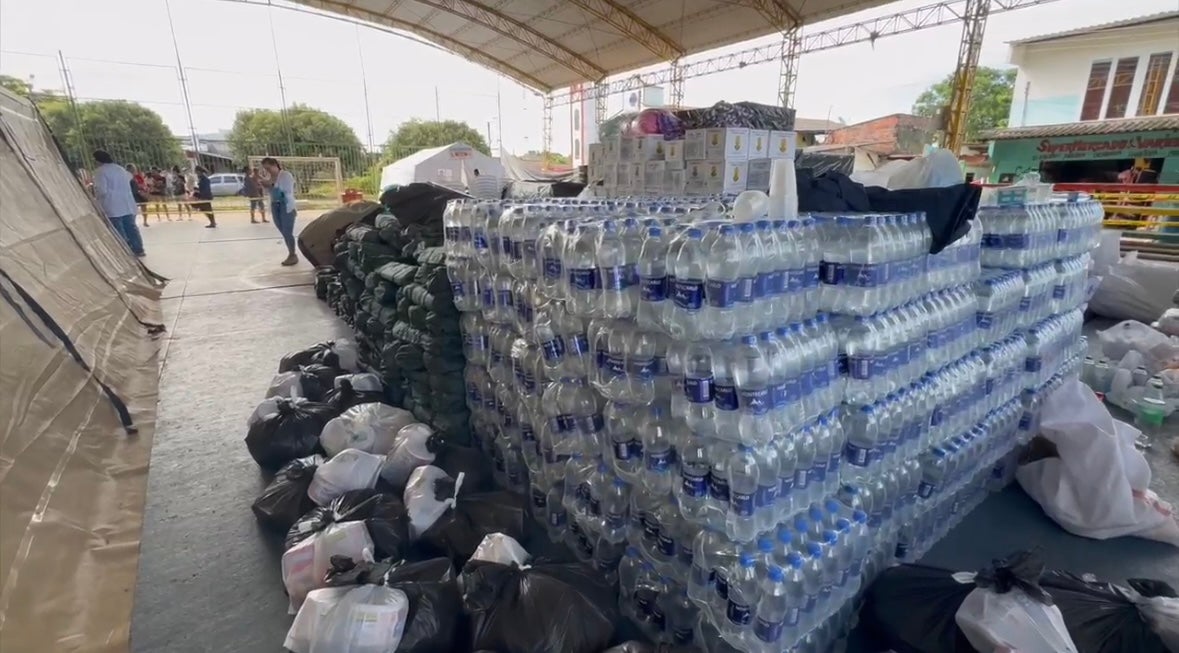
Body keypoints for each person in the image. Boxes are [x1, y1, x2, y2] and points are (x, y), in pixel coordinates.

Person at [92, 150, 145, 257]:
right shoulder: (120, 169)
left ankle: (124, 252)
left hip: (112, 204)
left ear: (97, 160)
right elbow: (129, 177)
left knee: (118, 229)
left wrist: (95, 196)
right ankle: (138, 249)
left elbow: (102, 190)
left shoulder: (100, 171)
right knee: (131, 227)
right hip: (127, 203)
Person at [260, 156, 298, 265]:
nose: (267, 171)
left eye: (268, 168)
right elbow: (270, 191)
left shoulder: (285, 175)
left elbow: (285, 191)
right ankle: (291, 252)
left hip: (285, 205)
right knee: (282, 230)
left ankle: (292, 254)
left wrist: (271, 184)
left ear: (275, 165)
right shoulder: (269, 177)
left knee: (287, 231)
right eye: (265, 169)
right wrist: (265, 184)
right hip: (274, 205)